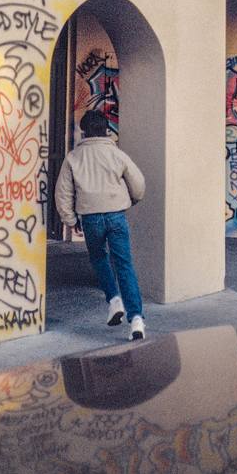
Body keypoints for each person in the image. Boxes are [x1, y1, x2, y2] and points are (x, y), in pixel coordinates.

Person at [54, 109, 147, 340]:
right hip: (116, 215)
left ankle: (114, 300)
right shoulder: (117, 154)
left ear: (84, 131)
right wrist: (131, 200)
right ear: (106, 130)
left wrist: (71, 219)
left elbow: (62, 193)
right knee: (124, 265)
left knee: (98, 258)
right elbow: (139, 184)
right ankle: (136, 319)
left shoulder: (73, 157)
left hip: (91, 217)